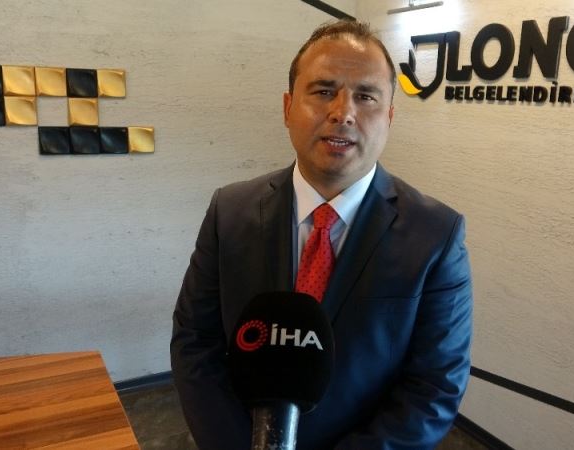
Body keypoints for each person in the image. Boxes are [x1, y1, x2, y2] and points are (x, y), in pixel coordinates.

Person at [171, 20, 473, 450]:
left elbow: (434, 388)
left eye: (365, 96)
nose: (343, 113)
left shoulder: (436, 236)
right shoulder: (230, 211)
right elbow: (195, 343)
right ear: (287, 107)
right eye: (324, 90)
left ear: (389, 117)